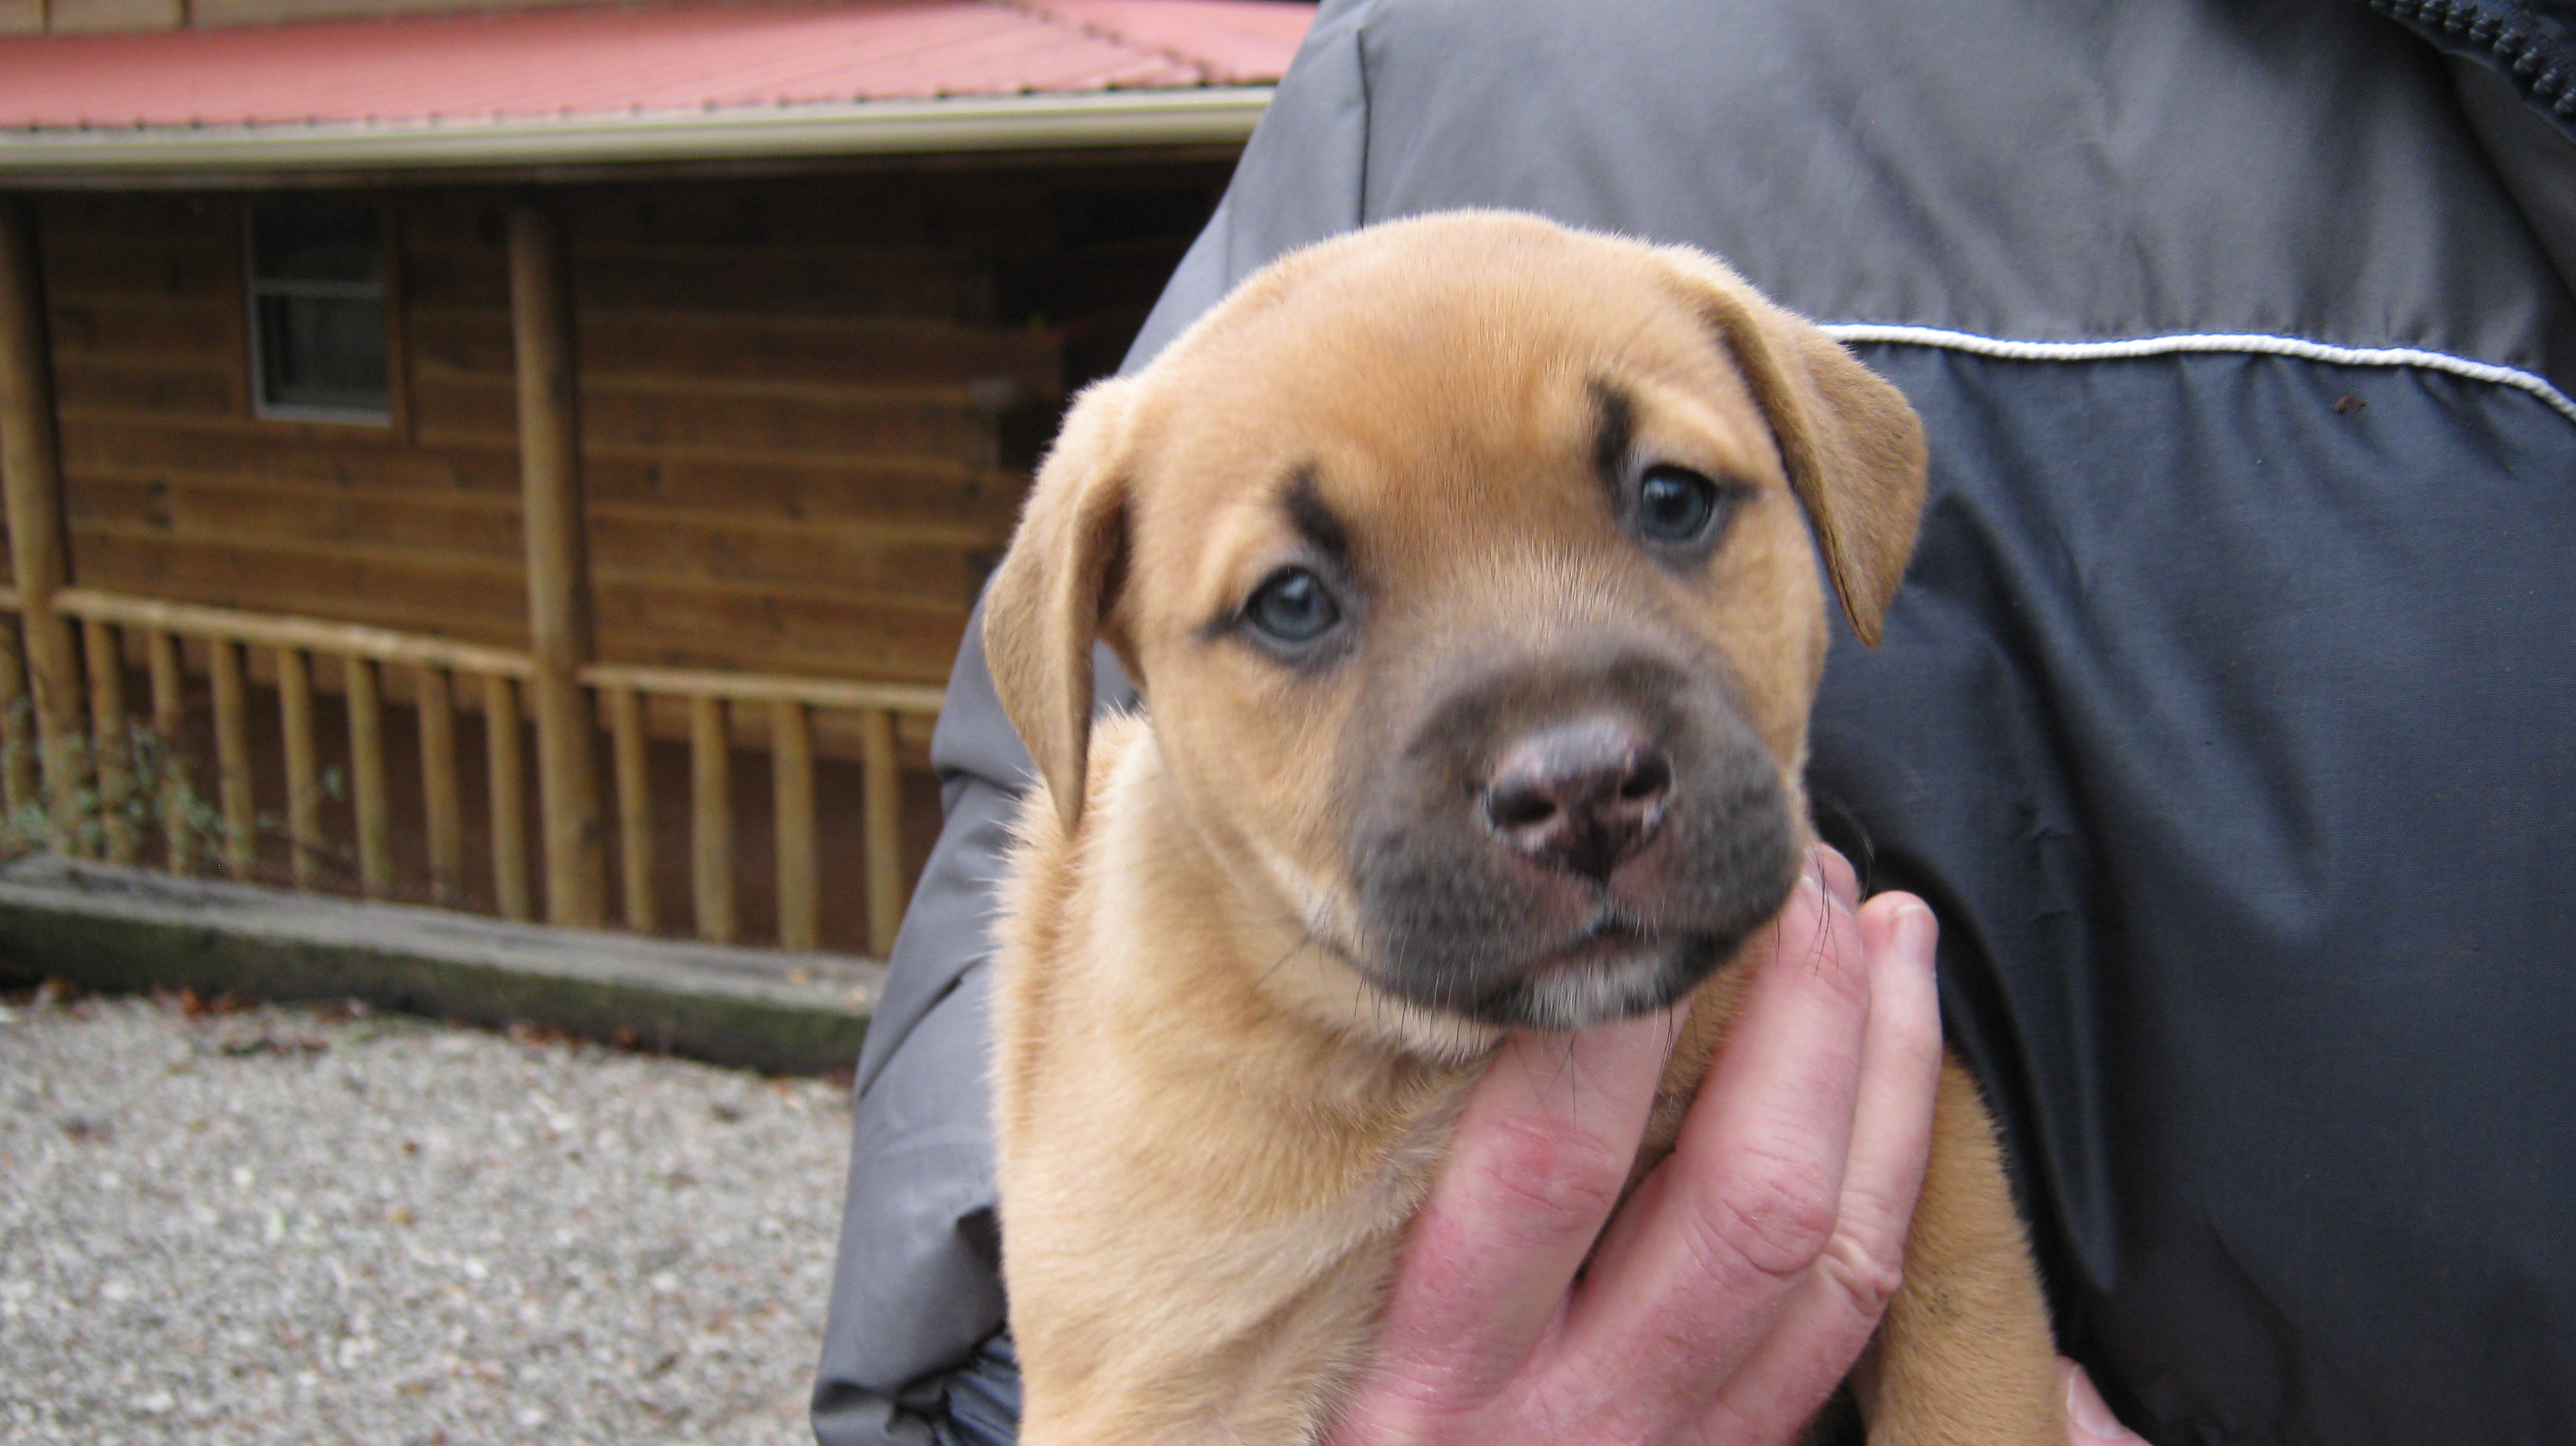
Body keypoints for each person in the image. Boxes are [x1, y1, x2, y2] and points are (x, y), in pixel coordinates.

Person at [813, 1, 2576, 1442]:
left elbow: (1921, 1149)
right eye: (1297, 602)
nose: (1568, 766)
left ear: (1833, 503)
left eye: (1668, 504)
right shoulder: (1403, 83)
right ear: (1097, 652)